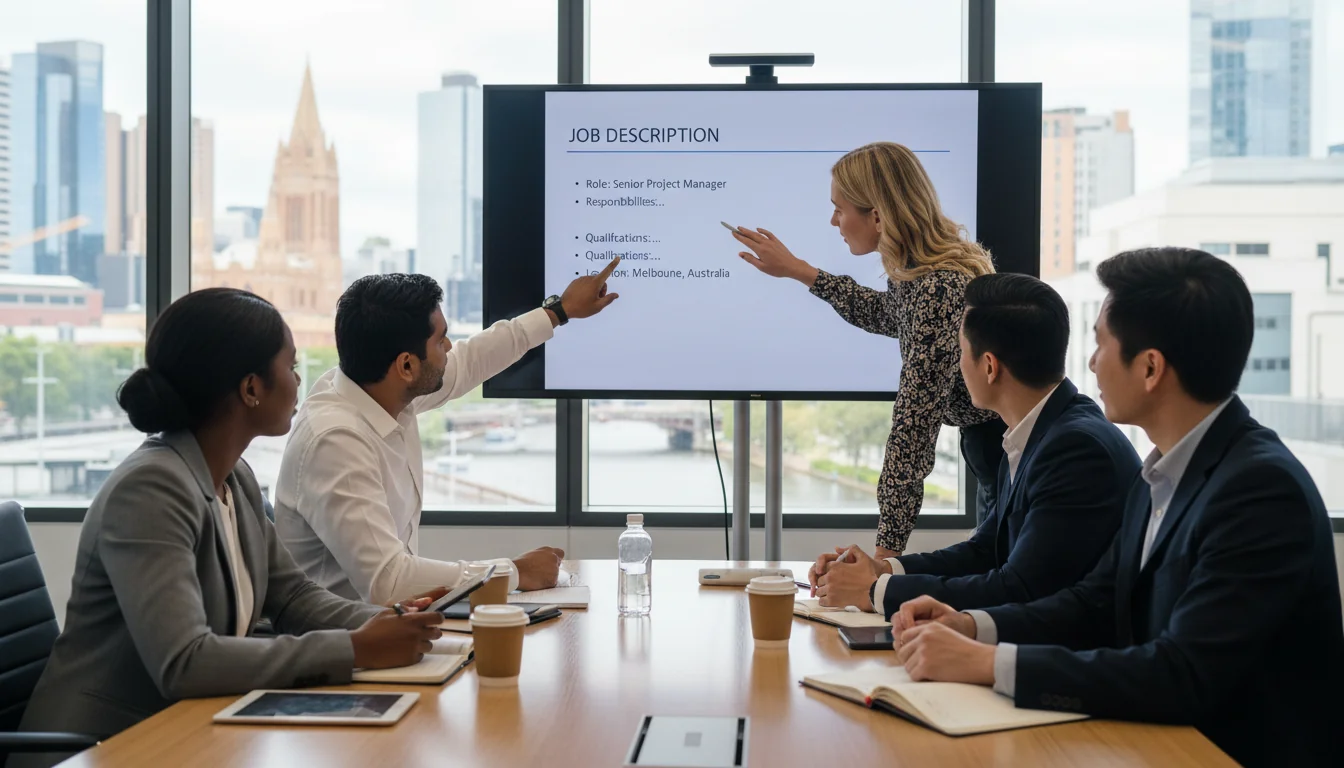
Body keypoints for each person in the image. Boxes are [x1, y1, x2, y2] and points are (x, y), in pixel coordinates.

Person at [889, 248, 1344, 768]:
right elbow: (1095, 601)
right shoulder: (1165, 470)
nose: (1090, 363)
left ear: (1150, 368)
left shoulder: (1259, 490)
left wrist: (991, 663)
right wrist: (971, 626)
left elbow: (1181, 673)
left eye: (1101, 343)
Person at [13, 290, 443, 768]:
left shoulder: (233, 478)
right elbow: (185, 662)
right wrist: (354, 648)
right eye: (291, 366)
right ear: (251, 388)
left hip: (187, 731)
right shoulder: (150, 490)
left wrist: (382, 620)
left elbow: (294, 596)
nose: (301, 382)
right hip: (102, 746)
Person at [275, 263, 619, 605]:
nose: (451, 348)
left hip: (391, 628)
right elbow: (389, 582)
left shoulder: (376, 387)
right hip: (343, 648)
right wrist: (514, 572)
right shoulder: (335, 440)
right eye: (441, 341)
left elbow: (473, 359)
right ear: (407, 366)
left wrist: (559, 311)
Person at [732, 141, 1006, 559]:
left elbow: (912, 429)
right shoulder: (921, 274)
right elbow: (886, 314)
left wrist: (883, 559)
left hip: (1003, 449)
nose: (833, 220)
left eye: (839, 209)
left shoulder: (936, 287)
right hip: (992, 446)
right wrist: (797, 270)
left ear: (877, 216)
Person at [812, 273, 1139, 615]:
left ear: (989, 367)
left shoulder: (1074, 450)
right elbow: (987, 549)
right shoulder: (1039, 431)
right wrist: (885, 571)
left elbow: (1020, 588)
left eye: (960, 349)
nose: (955, 364)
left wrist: (875, 592)